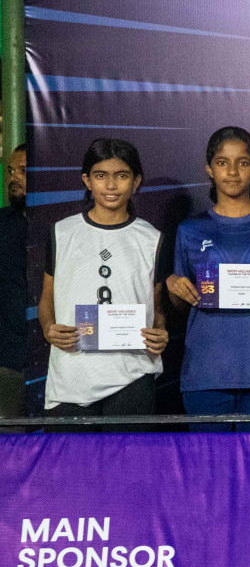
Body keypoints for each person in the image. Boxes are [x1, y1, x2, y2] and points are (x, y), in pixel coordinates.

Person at [164, 127, 250, 432]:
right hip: (205, 372)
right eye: (222, 162)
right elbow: (181, 303)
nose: (232, 171)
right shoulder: (190, 229)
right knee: (210, 470)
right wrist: (174, 285)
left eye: (242, 163)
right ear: (209, 169)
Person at [38, 138, 170, 430]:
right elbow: (47, 300)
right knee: (71, 472)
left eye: (121, 176)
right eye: (101, 176)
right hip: (72, 376)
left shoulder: (152, 238)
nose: (111, 185)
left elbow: (155, 306)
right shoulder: (61, 232)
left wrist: (159, 331)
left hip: (131, 376)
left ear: (136, 182)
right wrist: (49, 329)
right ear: (87, 180)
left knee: (128, 471)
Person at [1, 143, 28, 426]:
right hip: (7, 363)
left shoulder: (66, 228)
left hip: (59, 360)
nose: (13, 178)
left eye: (22, 171)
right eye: (10, 170)